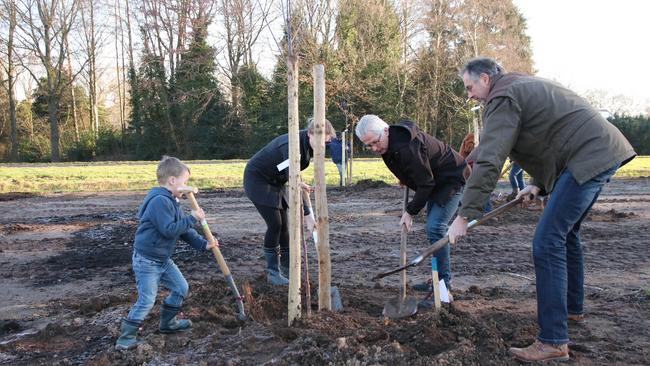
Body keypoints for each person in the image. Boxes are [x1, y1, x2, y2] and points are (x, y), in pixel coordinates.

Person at [447, 57, 636, 362]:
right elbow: (547, 135)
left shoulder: (502, 97)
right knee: (566, 234)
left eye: (469, 87)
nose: (469, 94)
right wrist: (537, 183)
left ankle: (553, 340)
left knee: (546, 242)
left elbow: (492, 158)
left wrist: (463, 215)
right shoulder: (519, 86)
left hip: (587, 155)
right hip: (599, 148)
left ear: (485, 79)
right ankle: (572, 309)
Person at [355, 115, 469, 305]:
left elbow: (426, 183)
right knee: (433, 229)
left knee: (435, 228)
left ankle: (443, 288)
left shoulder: (407, 147)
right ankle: (435, 279)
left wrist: (410, 212)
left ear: (386, 131)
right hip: (436, 182)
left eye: (375, 142)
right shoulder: (390, 143)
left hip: (452, 179)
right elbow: (416, 170)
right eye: (369, 146)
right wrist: (406, 177)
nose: (374, 148)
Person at [115, 156, 218, 350]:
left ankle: (167, 323)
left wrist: (204, 244)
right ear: (172, 181)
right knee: (147, 299)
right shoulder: (159, 201)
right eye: (184, 182)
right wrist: (192, 217)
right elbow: (169, 229)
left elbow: (184, 231)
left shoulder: (172, 201)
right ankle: (126, 337)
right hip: (146, 260)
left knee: (181, 288)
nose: (186, 186)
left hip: (162, 258)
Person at [244, 117, 335, 285]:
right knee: (275, 224)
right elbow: (293, 179)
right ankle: (273, 273)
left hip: (276, 181)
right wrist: (308, 214)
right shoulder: (292, 146)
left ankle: (287, 270)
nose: (323, 147)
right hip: (258, 180)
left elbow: (293, 177)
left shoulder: (308, 145)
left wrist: (299, 183)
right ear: (310, 134)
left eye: (326, 143)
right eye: (321, 142)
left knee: (284, 226)